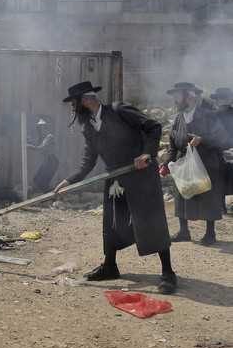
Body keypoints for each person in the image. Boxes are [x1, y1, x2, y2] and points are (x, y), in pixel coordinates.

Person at [53, 81, 176, 294]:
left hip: (141, 175)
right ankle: (110, 266)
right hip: (116, 178)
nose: (73, 108)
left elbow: (153, 127)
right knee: (112, 222)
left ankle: (168, 272)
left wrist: (147, 153)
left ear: (85, 100)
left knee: (150, 221)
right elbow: (89, 160)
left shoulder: (120, 110)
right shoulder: (90, 126)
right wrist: (70, 180)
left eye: (74, 103)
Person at [162, 82, 229, 245]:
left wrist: (203, 140)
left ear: (189, 97)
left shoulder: (208, 116)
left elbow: (224, 140)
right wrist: (166, 163)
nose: (175, 100)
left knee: (208, 196)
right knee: (182, 195)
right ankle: (184, 232)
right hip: (184, 162)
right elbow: (172, 143)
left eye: (177, 97)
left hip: (207, 163)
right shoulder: (178, 118)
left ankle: (210, 234)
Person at [211, 87, 233, 213]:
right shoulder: (213, 115)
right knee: (221, 178)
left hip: (224, 150)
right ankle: (221, 206)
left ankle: (222, 206)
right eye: (220, 98)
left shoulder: (214, 115)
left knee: (222, 178)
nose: (221, 101)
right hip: (220, 150)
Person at [28, 119, 59, 192]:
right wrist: (29, 141)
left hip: (51, 161)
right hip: (47, 161)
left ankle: (48, 196)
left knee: (43, 181)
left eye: (41, 128)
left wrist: (29, 146)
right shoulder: (43, 137)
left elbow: (41, 148)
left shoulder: (49, 136)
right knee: (37, 179)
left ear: (45, 127)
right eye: (39, 128)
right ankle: (44, 195)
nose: (40, 130)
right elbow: (37, 144)